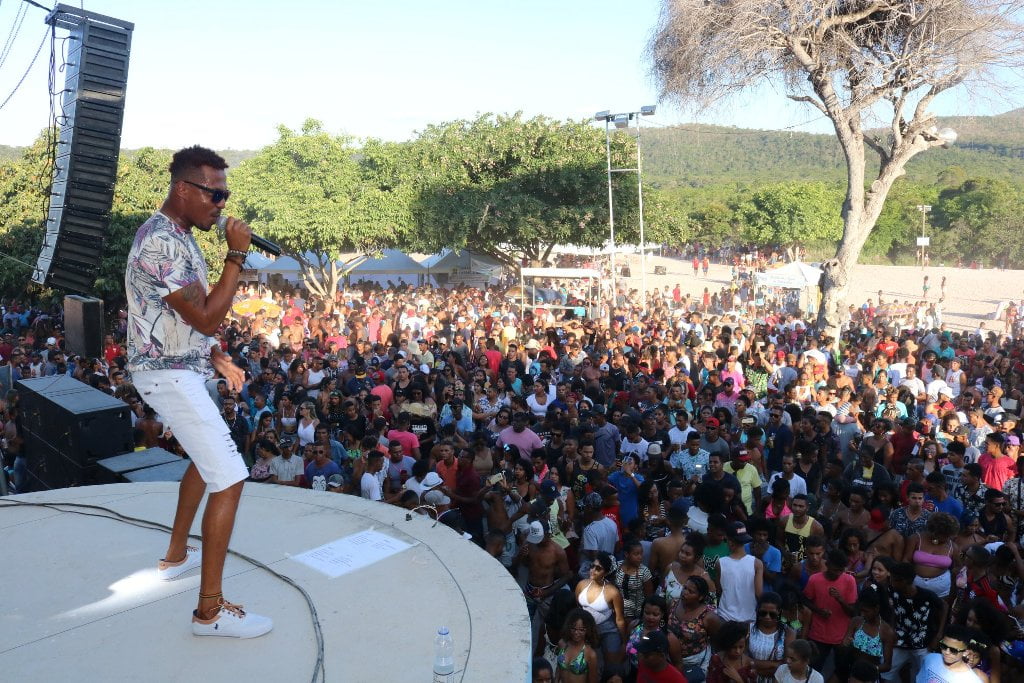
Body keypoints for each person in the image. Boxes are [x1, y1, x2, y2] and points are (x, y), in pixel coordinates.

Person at [126, 145, 272, 638]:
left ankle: (175, 556)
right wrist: (236, 254)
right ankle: (209, 613)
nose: (222, 204)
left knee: (204, 459)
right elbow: (208, 315)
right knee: (230, 477)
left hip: (181, 367)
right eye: (215, 194)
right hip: (167, 374)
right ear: (183, 189)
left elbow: (184, 319)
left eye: (224, 195)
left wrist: (215, 355)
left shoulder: (179, 236)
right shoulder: (161, 243)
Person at [886, 561, 946, 682]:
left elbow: (944, 606)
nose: (891, 582)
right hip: (900, 640)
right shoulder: (892, 591)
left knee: (923, 674)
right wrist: (891, 629)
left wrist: (939, 635)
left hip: (922, 642)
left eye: (894, 580)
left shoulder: (926, 595)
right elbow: (893, 610)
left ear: (905, 581)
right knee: (887, 671)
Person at [803, 549, 858, 672]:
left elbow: (853, 612)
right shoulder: (814, 579)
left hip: (841, 638)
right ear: (827, 565)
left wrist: (840, 599)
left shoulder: (850, 580)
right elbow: (806, 600)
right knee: (813, 671)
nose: (838, 573)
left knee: (842, 672)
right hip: (818, 635)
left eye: (841, 570)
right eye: (835, 570)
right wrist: (819, 611)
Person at [575, 552, 627, 674]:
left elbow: (619, 619)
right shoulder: (581, 585)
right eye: (592, 566)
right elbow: (578, 608)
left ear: (606, 572)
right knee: (588, 665)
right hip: (587, 629)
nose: (593, 570)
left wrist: (625, 641)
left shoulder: (613, 592)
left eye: (598, 568)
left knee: (611, 666)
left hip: (608, 630)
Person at [718, 521, 764, 623]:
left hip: (724, 617)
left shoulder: (720, 563)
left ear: (730, 541)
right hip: (749, 618)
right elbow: (759, 593)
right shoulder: (757, 563)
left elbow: (719, 590)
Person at [915, 624, 985, 683]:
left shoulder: (972, 680)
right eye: (944, 646)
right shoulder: (930, 659)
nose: (947, 652)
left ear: (965, 651)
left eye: (953, 650)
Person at [555, 608, 600, 683]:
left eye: (581, 630)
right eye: (573, 628)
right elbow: (559, 669)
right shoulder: (562, 644)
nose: (576, 633)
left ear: (588, 630)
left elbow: (593, 680)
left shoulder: (590, 654)